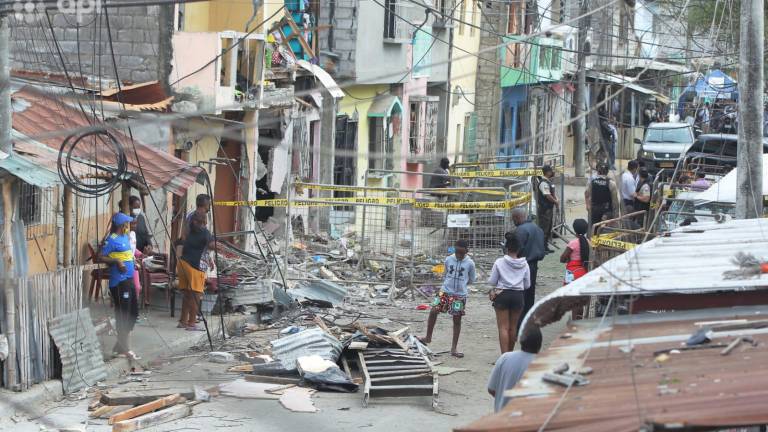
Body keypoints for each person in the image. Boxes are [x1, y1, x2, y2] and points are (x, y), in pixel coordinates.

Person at [421, 239, 476, 358]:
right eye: (457, 252)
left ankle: (454, 348)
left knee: (457, 320)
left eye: (461, 253)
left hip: (460, 295)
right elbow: (445, 274)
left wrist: (462, 285)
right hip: (445, 291)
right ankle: (428, 337)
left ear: (467, 251)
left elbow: (472, 279)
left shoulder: (470, 263)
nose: (459, 255)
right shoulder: (448, 259)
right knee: (433, 311)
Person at [99, 213, 140, 360]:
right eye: (126, 224)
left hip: (129, 279)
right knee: (123, 314)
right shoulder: (112, 239)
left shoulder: (125, 237)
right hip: (119, 282)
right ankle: (124, 348)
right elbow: (100, 256)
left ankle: (120, 344)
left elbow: (127, 254)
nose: (127, 226)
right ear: (120, 225)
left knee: (134, 312)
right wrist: (116, 261)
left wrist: (133, 262)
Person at [488, 235, 530, 353]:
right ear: (519, 249)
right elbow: (527, 285)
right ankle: (510, 355)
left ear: (506, 248)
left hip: (502, 295)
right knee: (513, 327)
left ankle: (504, 357)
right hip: (518, 296)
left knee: (503, 328)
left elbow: (492, 281)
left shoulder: (499, 262)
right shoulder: (525, 264)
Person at [487, 326, 543, 413]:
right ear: (539, 345)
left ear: (520, 341)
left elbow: (491, 389)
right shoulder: (542, 365)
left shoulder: (505, 358)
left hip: (501, 416)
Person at [177, 211, 215, 331]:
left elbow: (197, 247)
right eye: (203, 222)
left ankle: (183, 321)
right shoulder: (205, 232)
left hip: (183, 264)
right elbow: (211, 245)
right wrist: (218, 246)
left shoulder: (187, 231)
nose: (205, 225)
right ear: (197, 222)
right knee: (195, 296)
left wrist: (209, 259)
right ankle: (192, 323)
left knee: (187, 295)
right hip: (195, 266)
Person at [510, 208, 545, 332]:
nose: (513, 221)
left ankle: (518, 325)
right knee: (530, 295)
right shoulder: (538, 229)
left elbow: (515, 249)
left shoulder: (520, 230)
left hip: (521, 265)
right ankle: (527, 322)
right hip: (533, 265)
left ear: (517, 218)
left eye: (513, 219)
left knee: (520, 295)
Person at [535, 165, 558, 252]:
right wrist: (555, 202)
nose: (552, 172)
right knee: (544, 229)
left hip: (548, 209)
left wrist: (555, 200)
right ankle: (542, 248)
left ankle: (545, 247)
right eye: (551, 171)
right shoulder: (543, 183)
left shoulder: (548, 181)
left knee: (548, 229)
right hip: (544, 210)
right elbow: (547, 195)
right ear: (547, 172)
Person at [560, 219, 590, 284]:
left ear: (574, 230)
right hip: (584, 269)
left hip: (572, 270)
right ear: (586, 230)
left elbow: (562, 259)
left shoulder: (572, 243)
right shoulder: (588, 242)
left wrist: (568, 259)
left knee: (569, 288)